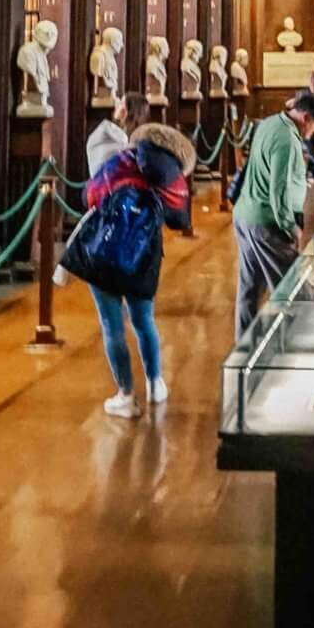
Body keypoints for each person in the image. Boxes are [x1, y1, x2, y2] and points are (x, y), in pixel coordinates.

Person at [83, 119, 195, 420]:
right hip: (145, 253)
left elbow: (89, 196)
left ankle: (126, 396)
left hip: (104, 252)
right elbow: (177, 218)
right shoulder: (166, 174)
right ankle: (156, 382)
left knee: (113, 325)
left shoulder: (118, 164)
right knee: (144, 320)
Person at [232, 89, 314, 338]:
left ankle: (244, 351)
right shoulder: (287, 138)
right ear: (306, 117)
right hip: (267, 224)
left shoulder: (270, 123)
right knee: (293, 293)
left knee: (249, 292)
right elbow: (278, 194)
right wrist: (294, 229)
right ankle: (291, 356)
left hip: (246, 215)